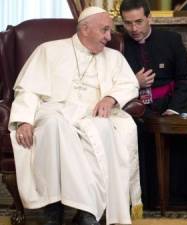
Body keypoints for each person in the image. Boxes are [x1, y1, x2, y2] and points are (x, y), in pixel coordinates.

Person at [8, 7, 142, 225]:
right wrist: (24, 120)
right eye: (105, 30)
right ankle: (53, 212)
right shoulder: (48, 50)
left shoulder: (114, 57)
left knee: (103, 132)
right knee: (53, 126)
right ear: (85, 28)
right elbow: (28, 89)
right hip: (56, 111)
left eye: (110, 31)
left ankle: (89, 213)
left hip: (93, 114)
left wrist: (110, 98)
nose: (110, 37)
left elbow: (129, 84)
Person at [119, 0, 187, 209]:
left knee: (181, 134)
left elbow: (185, 78)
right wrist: (133, 83)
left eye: (139, 22)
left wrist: (174, 110)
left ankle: (179, 195)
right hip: (135, 108)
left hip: (169, 105)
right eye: (128, 23)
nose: (134, 29)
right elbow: (113, 83)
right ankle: (145, 197)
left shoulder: (171, 40)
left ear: (149, 18)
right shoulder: (118, 45)